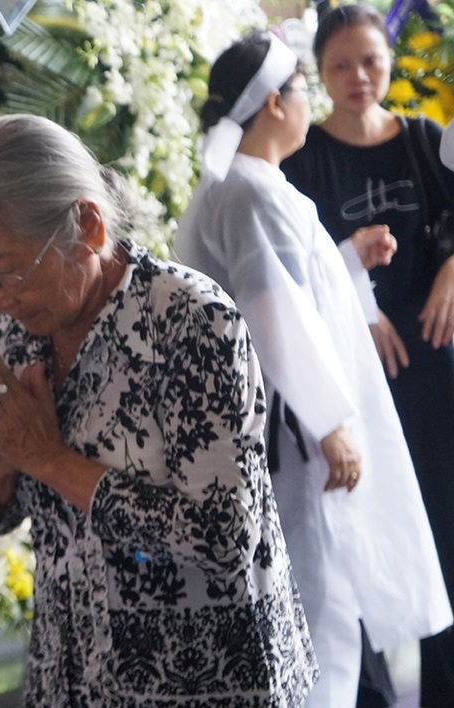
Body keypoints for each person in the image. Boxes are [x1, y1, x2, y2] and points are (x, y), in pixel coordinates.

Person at [0, 113, 317, 706]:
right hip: (71, 670)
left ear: (85, 224)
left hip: (203, 677)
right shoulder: (22, 335)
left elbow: (225, 537)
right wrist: (1, 468)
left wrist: (51, 459)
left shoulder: (190, 322)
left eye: (7, 271)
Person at [174, 29, 452, 708]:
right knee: (317, 618)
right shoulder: (249, 192)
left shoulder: (248, 186)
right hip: (295, 445)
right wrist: (331, 426)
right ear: (275, 103)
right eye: (304, 87)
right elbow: (273, 318)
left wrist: (350, 259)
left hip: (294, 439)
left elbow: (292, 288)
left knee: (324, 613)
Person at [281, 5, 454, 705]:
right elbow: (291, 271)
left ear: (391, 61)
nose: (359, 77)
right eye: (342, 65)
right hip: (354, 376)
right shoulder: (303, 158)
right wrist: (359, 301)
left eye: (371, 62)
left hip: (435, 363)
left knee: (443, 530)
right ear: (320, 72)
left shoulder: (424, 139)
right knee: (366, 536)